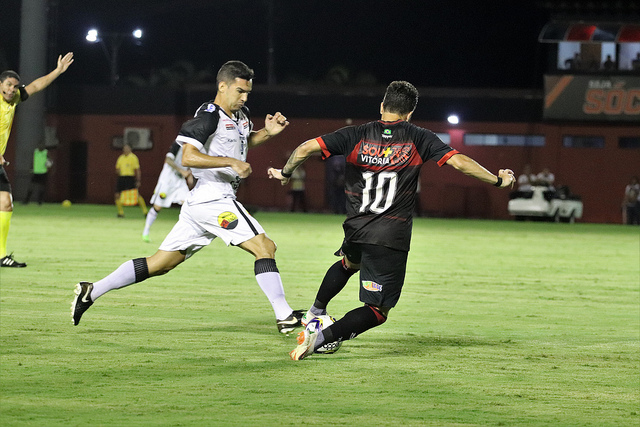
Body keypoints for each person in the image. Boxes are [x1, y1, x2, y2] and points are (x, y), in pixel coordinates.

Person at [267, 81, 516, 360]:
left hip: (356, 229)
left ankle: (314, 312)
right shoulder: (418, 137)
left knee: (349, 263)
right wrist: (498, 181)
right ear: (410, 114)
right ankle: (320, 339)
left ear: (382, 107)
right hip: (389, 236)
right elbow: (459, 162)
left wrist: (285, 173)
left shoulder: (355, 134)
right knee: (377, 311)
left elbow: (304, 149)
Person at [71, 60, 304, 334]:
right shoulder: (208, 115)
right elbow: (187, 156)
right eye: (240, 91)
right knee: (264, 247)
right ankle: (285, 317)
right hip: (213, 200)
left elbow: (242, 141)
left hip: (200, 205)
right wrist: (230, 162)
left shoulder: (241, 116)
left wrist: (267, 133)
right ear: (222, 86)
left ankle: (92, 290)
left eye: (248, 93)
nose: (244, 97)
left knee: (160, 264)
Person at [0, 52, 74, 268]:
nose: (12, 89)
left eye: (15, 86)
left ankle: (1, 255)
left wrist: (58, 71)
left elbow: (35, 86)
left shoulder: (14, 98)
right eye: (8, 85)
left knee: (5, 202)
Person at [142, 142, 194, 242]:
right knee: (157, 207)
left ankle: (186, 236)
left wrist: (190, 174)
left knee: (188, 205)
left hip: (180, 182)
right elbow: (168, 160)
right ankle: (146, 232)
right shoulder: (177, 144)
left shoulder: (194, 147)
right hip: (167, 181)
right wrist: (182, 171)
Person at [114, 143, 148, 217]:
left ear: (130, 149)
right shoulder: (121, 158)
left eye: (127, 148)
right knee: (117, 195)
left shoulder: (133, 157)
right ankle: (121, 213)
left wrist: (138, 180)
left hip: (130, 178)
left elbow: (137, 170)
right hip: (122, 178)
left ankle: (145, 211)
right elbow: (117, 169)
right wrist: (118, 171)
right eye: (124, 148)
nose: (125, 150)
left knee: (136, 194)